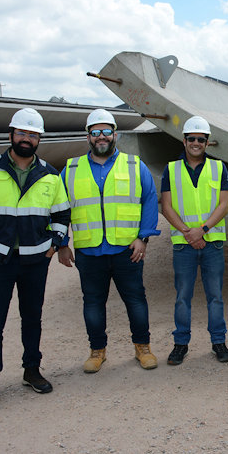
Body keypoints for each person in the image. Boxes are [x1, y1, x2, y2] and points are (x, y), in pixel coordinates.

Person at [0, 108, 70, 411]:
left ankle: (31, 370)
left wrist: (55, 244)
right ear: (11, 135)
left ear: (39, 140)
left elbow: (61, 214)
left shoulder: (50, 174)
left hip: (36, 260)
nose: (27, 139)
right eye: (22, 133)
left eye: (33, 135)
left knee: (32, 318)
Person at [58, 108, 160, 374]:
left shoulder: (134, 165)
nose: (101, 137)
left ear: (115, 134)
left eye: (106, 132)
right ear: (88, 136)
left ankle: (143, 348)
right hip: (89, 251)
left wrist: (143, 237)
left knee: (136, 300)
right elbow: (58, 208)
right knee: (92, 303)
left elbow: (149, 199)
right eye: (95, 132)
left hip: (127, 249)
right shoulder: (70, 169)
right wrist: (61, 243)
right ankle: (97, 351)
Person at [160, 116, 228, 364]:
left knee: (215, 296)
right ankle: (181, 344)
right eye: (192, 139)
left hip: (212, 243)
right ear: (184, 140)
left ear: (207, 143)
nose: (196, 143)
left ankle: (218, 342)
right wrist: (188, 233)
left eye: (201, 139)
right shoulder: (171, 169)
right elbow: (166, 207)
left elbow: (224, 205)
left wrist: (202, 230)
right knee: (182, 296)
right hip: (184, 245)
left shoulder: (219, 168)